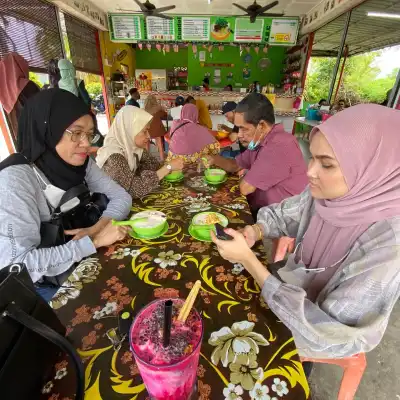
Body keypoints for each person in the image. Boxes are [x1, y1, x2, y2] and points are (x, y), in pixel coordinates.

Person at [211, 104, 400, 359]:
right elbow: (285, 213)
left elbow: (324, 331)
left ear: (372, 169)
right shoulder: (326, 196)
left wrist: (250, 261)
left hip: (316, 334)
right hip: (291, 289)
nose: (310, 171)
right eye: (313, 157)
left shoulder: (387, 246)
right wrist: (256, 230)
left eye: (327, 164)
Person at [0, 89, 132, 301]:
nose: (87, 144)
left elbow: (122, 197)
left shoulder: (81, 163)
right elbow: (18, 265)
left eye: (89, 134)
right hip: (41, 286)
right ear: (48, 130)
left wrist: (96, 228)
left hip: (80, 258)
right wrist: (94, 241)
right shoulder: (14, 181)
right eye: (76, 133)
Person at [205, 93, 308, 216]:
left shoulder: (280, 144)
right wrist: (214, 159)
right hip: (263, 210)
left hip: (281, 221)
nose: (239, 135)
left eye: (244, 129)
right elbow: (235, 165)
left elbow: (245, 188)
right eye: (238, 129)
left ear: (262, 126)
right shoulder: (258, 141)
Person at [97, 106, 183, 198]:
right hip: (111, 206)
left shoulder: (134, 149)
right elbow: (134, 189)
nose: (149, 136)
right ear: (129, 130)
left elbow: (154, 166)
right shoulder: (113, 156)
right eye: (144, 131)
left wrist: (170, 165)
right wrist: (168, 167)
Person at [0, 52, 40, 141]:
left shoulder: (3, 93)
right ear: (18, 66)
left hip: (22, 140)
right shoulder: (27, 85)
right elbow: (42, 108)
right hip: (39, 133)